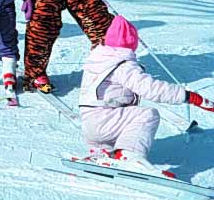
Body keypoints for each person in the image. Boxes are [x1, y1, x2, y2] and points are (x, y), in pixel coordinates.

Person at [79, 15, 214, 177]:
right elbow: (149, 88)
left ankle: (103, 154)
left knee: (127, 118)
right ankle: (128, 155)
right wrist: (188, 96)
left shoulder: (99, 60)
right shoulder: (122, 64)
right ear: (131, 43)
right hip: (106, 119)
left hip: (91, 122)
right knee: (147, 115)